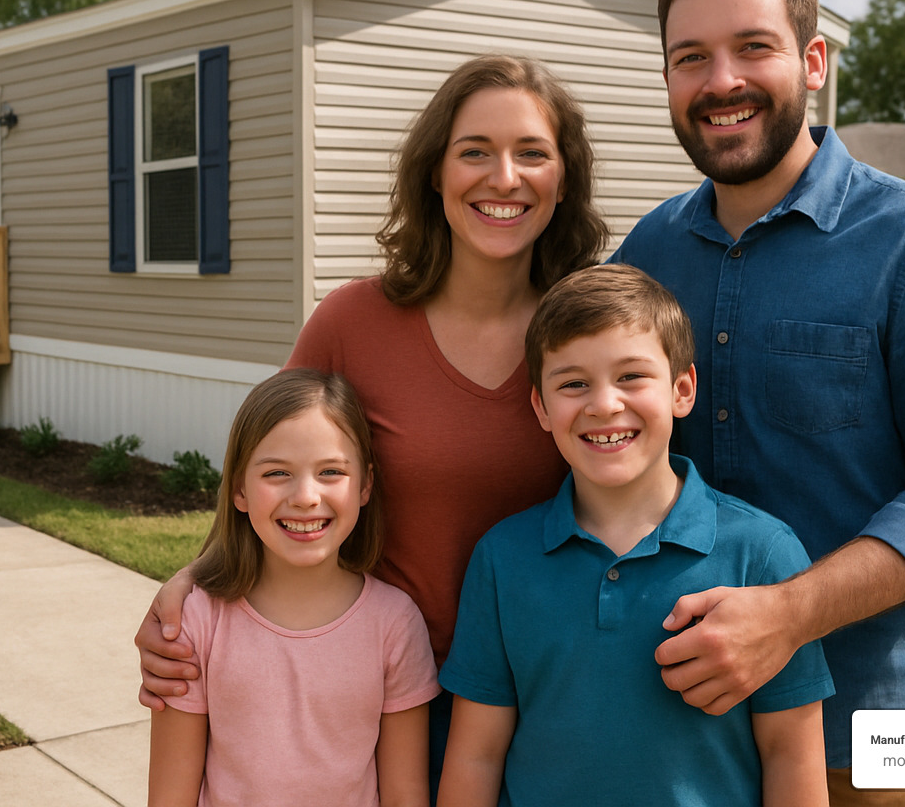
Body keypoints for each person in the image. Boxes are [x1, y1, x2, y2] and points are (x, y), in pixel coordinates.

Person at [610, 0, 905, 806]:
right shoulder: (648, 253)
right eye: (690, 58)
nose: (720, 80)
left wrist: (786, 616)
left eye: (752, 47)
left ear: (812, 62)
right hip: (683, 727)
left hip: (868, 740)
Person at [136, 54, 611, 787]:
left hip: (550, 698)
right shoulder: (352, 323)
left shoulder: (587, 338)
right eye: (474, 152)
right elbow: (273, 466)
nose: (504, 178)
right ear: (434, 172)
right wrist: (189, 589)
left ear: (563, 178)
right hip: (375, 697)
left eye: (533, 154)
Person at [437, 264, 834, 807]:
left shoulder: (762, 554)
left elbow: (792, 755)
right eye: (574, 383)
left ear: (683, 389)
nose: (604, 404)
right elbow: (476, 755)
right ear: (541, 408)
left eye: (631, 377)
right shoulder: (502, 558)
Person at [146, 368, 439, 807]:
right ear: (239, 490)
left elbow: (405, 795)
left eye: (330, 471)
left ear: (365, 485)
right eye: (277, 473)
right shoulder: (198, 620)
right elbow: (170, 798)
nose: (305, 496)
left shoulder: (395, 624)